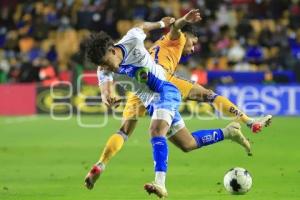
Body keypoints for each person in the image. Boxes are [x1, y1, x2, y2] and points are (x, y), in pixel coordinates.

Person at [82, 10, 253, 198]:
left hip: (165, 90)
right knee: (188, 144)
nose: (108, 68)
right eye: (103, 66)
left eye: (108, 63)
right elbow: (105, 91)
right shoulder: (103, 69)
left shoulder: (131, 40)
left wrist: (161, 24)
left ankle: (160, 183)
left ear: (113, 50)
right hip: (151, 101)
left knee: (155, 130)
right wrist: (108, 97)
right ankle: (229, 132)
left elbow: (142, 26)